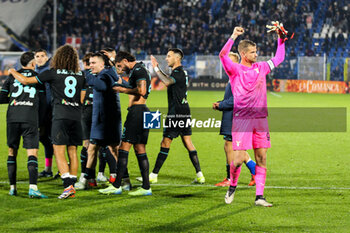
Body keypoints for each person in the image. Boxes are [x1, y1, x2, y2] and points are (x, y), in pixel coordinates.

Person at [219, 25, 285, 207]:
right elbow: (223, 55)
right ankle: (232, 185)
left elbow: (279, 57)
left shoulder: (261, 67)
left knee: (262, 157)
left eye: (257, 51)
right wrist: (232, 36)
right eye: (254, 52)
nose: (257, 54)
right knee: (238, 159)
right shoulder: (235, 70)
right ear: (244, 54)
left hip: (261, 120)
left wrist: (281, 39)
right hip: (242, 120)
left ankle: (259, 197)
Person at [9, 45, 86, 199]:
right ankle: (72, 184)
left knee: (58, 150)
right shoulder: (80, 75)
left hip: (60, 116)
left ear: (59, 58)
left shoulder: (52, 73)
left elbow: (25, 81)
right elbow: (82, 99)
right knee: (72, 151)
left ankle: (67, 186)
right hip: (77, 117)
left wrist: (12, 71)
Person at [142, 49, 205, 184]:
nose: (166, 58)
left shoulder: (178, 72)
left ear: (177, 58)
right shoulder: (180, 72)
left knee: (165, 142)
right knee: (187, 142)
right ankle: (200, 175)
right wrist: (159, 69)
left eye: (169, 56)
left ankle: (153, 175)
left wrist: (156, 68)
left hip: (176, 113)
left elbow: (167, 82)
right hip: (184, 111)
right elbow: (170, 80)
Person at [99, 51, 152, 196]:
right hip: (144, 112)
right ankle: (146, 187)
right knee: (140, 149)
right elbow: (135, 86)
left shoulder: (138, 70)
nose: (120, 69)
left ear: (125, 60)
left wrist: (123, 90)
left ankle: (117, 186)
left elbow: (141, 90)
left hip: (137, 112)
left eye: (120, 65)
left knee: (123, 147)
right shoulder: (139, 69)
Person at [0, 52, 47, 198]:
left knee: (12, 152)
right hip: (30, 117)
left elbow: (1, 97)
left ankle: (13, 188)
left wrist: (16, 100)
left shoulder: (11, 76)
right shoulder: (37, 78)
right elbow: (43, 103)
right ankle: (33, 188)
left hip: (13, 117)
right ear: (33, 63)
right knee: (32, 152)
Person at [75, 52, 123, 190]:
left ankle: (123, 181)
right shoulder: (106, 73)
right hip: (100, 120)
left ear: (102, 64)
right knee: (92, 149)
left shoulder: (105, 74)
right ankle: (86, 180)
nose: (91, 66)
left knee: (114, 150)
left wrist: (87, 73)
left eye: (93, 63)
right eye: (89, 63)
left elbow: (100, 86)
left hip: (108, 121)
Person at [213, 52, 256, 187]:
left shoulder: (237, 77)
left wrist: (221, 105)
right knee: (233, 147)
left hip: (235, 117)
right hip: (233, 116)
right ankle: (254, 172)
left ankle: (231, 178)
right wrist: (221, 103)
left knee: (233, 147)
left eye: (229, 62)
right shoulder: (233, 77)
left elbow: (237, 99)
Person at [34, 49, 55, 178]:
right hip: (41, 111)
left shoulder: (48, 71)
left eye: (43, 56)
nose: (40, 58)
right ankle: (48, 169)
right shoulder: (36, 71)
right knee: (44, 139)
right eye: (37, 56)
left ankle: (64, 169)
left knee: (56, 140)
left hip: (50, 110)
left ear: (47, 58)